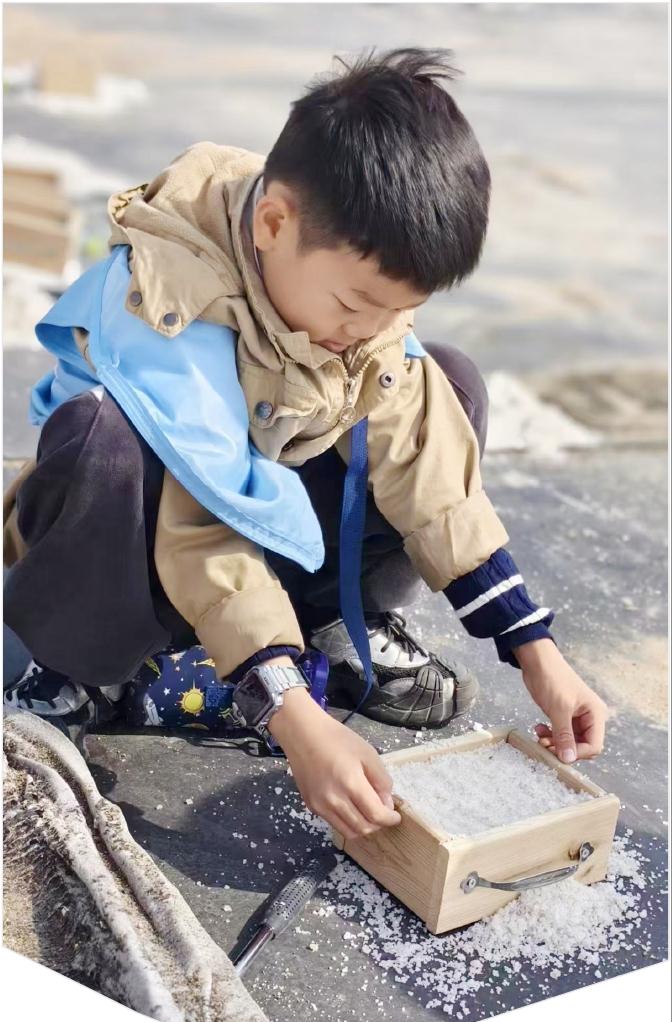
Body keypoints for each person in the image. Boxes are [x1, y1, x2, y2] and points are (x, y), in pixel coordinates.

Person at [3, 48, 608, 842]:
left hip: (262, 527)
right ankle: (82, 667)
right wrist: (292, 714)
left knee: (446, 385)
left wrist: (533, 646)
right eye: (356, 304)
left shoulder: (339, 285)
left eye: (397, 309)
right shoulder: (165, 308)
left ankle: (324, 627)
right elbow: (202, 527)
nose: (371, 329)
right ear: (273, 223)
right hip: (143, 551)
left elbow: (428, 471)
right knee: (105, 440)